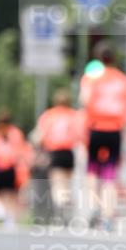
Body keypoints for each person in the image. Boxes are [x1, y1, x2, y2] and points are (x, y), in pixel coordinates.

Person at [80, 42, 126, 230]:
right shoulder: (122, 79)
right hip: (115, 129)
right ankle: (108, 214)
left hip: (95, 127)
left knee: (92, 171)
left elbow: (84, 100)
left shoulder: (92, 76)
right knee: (110, 174)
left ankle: (93, 207)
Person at [32, 88, 84, 223]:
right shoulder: (74, 115)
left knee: (57, 183)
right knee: (66, 182)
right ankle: (66, 203)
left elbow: (39, 136)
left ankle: (60, 208)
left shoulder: (49, 115)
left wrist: (38, 150)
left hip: (55, 152)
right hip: (69, 152)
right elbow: (80, 135)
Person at [0, 108, 32, 227]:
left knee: (7, 194)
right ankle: (7, 215)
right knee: (5, 194)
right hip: (2, 169)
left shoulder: (4, 134)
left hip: (6, 169)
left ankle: (9, 217)